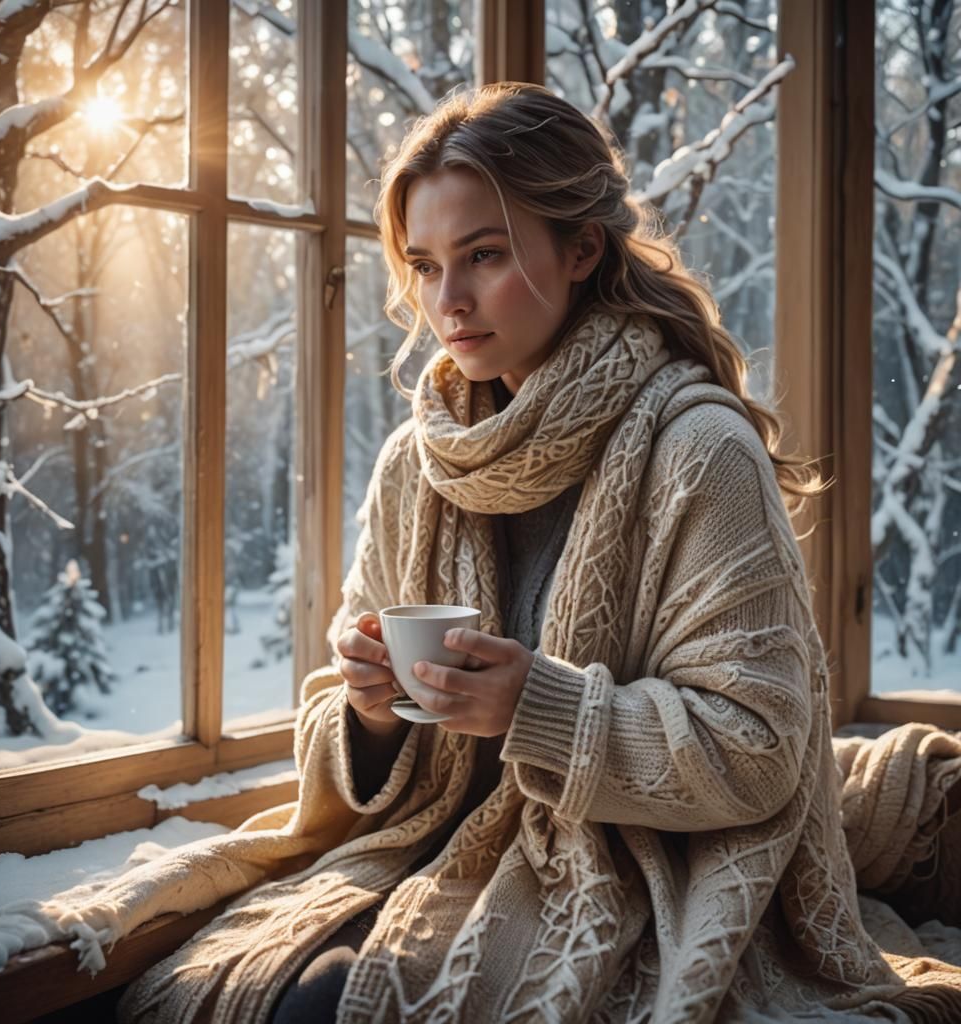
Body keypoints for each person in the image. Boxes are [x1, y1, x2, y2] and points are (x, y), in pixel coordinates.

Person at [108, 82, 961, 1024]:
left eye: (482, 256)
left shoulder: (700, 450)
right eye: (426, 267)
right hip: (439, 852)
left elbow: (759, 746)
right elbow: (333, 724)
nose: (449, 301)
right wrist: (369, 711)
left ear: (582, 247)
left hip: (645, 873)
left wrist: (537, 707)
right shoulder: (415, 466)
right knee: (223, 990)